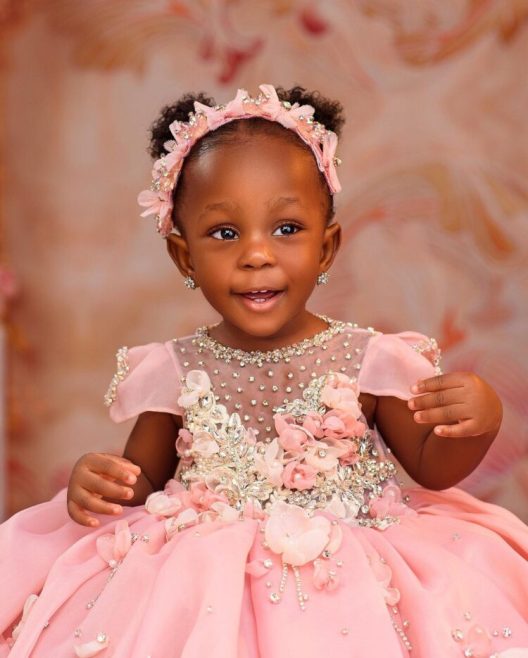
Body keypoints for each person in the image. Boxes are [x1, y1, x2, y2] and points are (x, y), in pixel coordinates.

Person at [1, 84, 527, 658]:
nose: (256, 254)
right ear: (185, 256)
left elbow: (432, 467)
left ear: (326, 248)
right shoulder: (176, 371)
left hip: (351, 588)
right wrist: (98, 484)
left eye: (287, 228)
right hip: (204, 590)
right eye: (225, 233)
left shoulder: (368, 359)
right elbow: (139, 485)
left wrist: (480, 421)